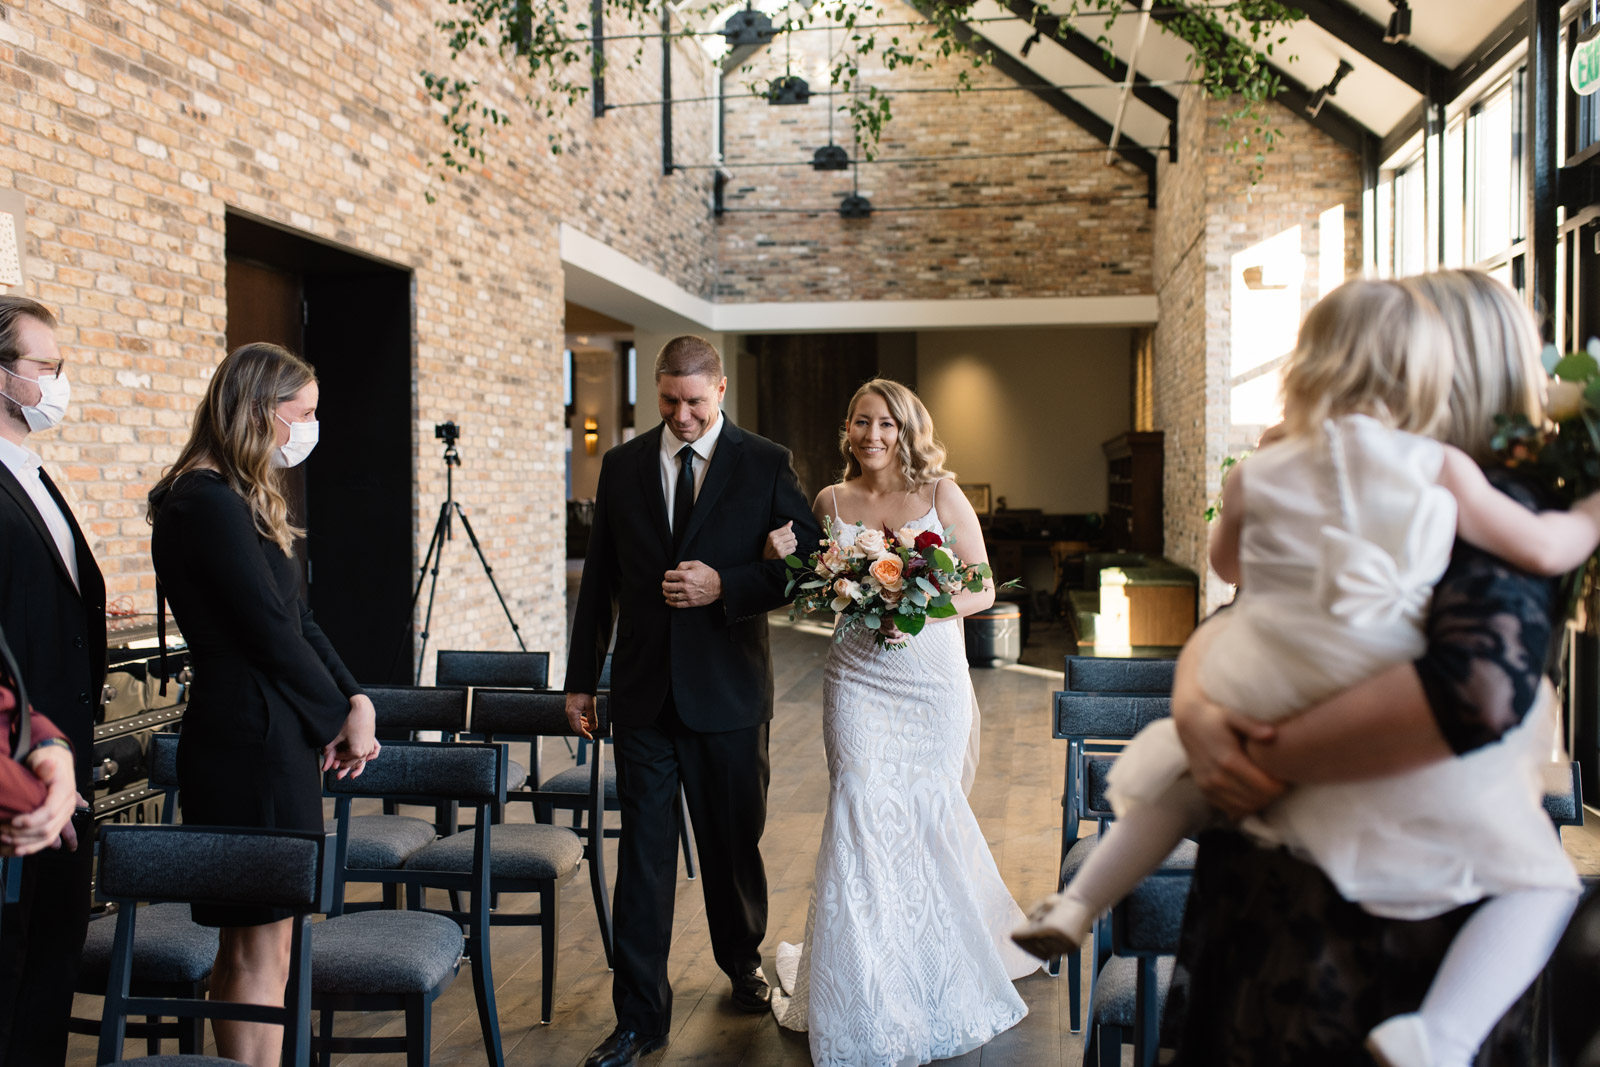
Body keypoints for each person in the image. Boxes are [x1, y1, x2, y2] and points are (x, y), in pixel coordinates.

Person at [1161, 269, 1584, 1067]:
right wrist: (1194, 711)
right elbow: (1245, 616)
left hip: (1390, 922)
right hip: (1272, 889)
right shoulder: (1360, 481)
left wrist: (1249, 754)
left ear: (1451, 367)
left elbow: (1471, 688)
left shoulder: (1492, 503)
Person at [764, 378, 1040, 1067]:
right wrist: (821, 575)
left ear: (907, 427)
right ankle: (862, 978)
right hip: (856, 671)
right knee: (858, 798)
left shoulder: (943, 493)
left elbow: (979, 584)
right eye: (862, 422)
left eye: (887, 423)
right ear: (848, 429)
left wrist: (910, 604)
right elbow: (813, 579)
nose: (874, 434)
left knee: (924, 810)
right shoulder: (830, 500)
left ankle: (931, 963)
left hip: (928, 674)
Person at [564, 335, 820, 1067]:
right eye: (669, 401)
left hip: (731, 692)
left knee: (734, 842)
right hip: (642, 695)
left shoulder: (765, 462)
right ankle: (639, 1018)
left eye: (694, 402)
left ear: (720, 392)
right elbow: (600, 581)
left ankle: (742, 958)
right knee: (642, 861)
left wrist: (728, 585)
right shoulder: (620, 466)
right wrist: (583, 680)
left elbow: (808, 571)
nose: (681, 415)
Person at [148, 342, 379, 1067]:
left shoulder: (237, 495)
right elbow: (267, 633)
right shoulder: (202, 501)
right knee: (253, 940)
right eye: (301, 413)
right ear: (257, 409)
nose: (309, 428)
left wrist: (355, 697)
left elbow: (298, 618)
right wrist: (338, 719)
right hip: (245, 737)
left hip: (272, 729)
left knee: (271, 937)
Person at [0, 294, 106, 1064]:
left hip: (63, 756)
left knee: (49, 968)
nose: (57, 382)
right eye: (44, 366)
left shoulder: (34, 475)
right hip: (16, 773)